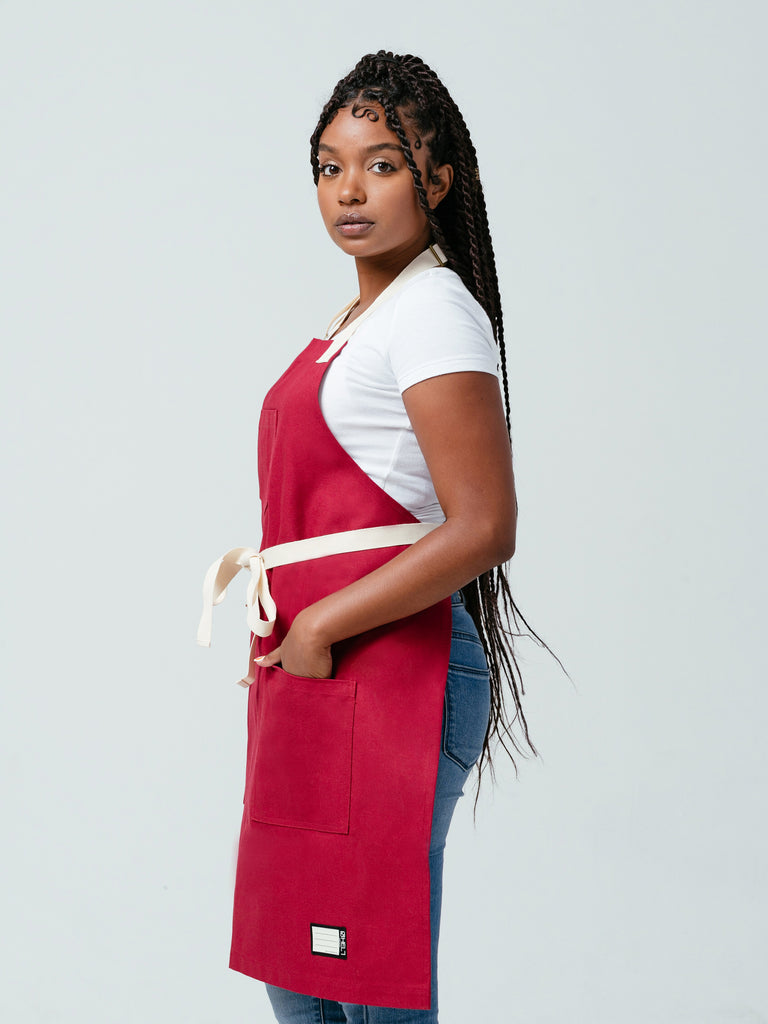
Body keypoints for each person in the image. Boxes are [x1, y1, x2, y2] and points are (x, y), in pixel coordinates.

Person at [198, 50, 536, 1024]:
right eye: (329, 165)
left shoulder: (432, 314)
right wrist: (297, 639)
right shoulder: (364, 321)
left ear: (437, 179)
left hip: (394, 669)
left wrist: (318, 625)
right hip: (319, 673)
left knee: (369, 975)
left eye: (382, 163)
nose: (349, 189)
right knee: (298, 969)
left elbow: (483, 525)